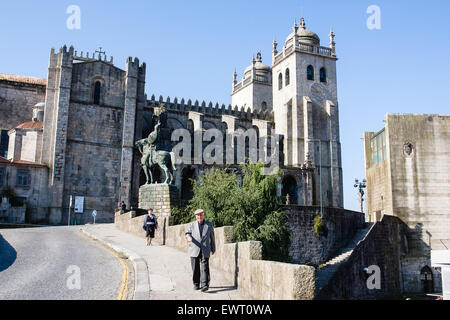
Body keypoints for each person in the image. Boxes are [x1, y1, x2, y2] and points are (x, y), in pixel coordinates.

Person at [185, 209, 215, 292]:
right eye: (197, 215)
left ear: (203, 215)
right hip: (194, 248)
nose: (199, 217)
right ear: (195, 216)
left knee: (205, 267)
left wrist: (213, 247)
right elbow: (187, 233)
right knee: (195, 268)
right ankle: (196, 284)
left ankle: (205, 285)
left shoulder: (209, 224)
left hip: (205, 248)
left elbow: (212, 237)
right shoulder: (192, 225)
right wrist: (188, 237)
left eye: (201, 215)